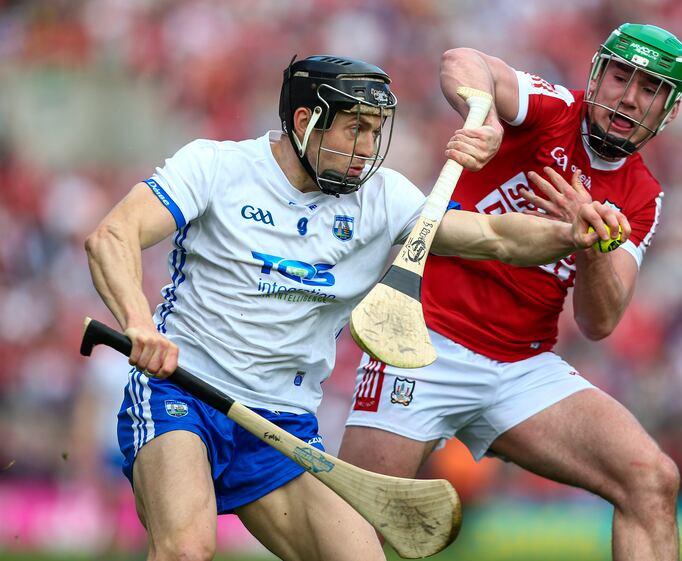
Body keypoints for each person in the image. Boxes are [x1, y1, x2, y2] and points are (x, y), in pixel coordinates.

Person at [84, 54, 627, 561]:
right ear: (304, 121)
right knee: (186, 549)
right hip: (184, 393)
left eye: (374, 130)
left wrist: (570, 234)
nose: (368, 146)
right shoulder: (215, 167)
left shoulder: (382, 198)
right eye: (355, 129)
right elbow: (114, 234)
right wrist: (137, 323)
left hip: (282, 423)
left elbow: (494, 236)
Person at [340, 23, 682, 561]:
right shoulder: (549, 110)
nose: (629, 98)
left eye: (649, 89)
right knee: (350, 526)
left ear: (668, 108)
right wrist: (484, 117)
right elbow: (461, 59)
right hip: (422, 341)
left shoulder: (643, 195)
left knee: (652, 479)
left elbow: (599, 323)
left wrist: (593, 244)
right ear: (598, 75)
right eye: (622, 78)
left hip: (522, 367)